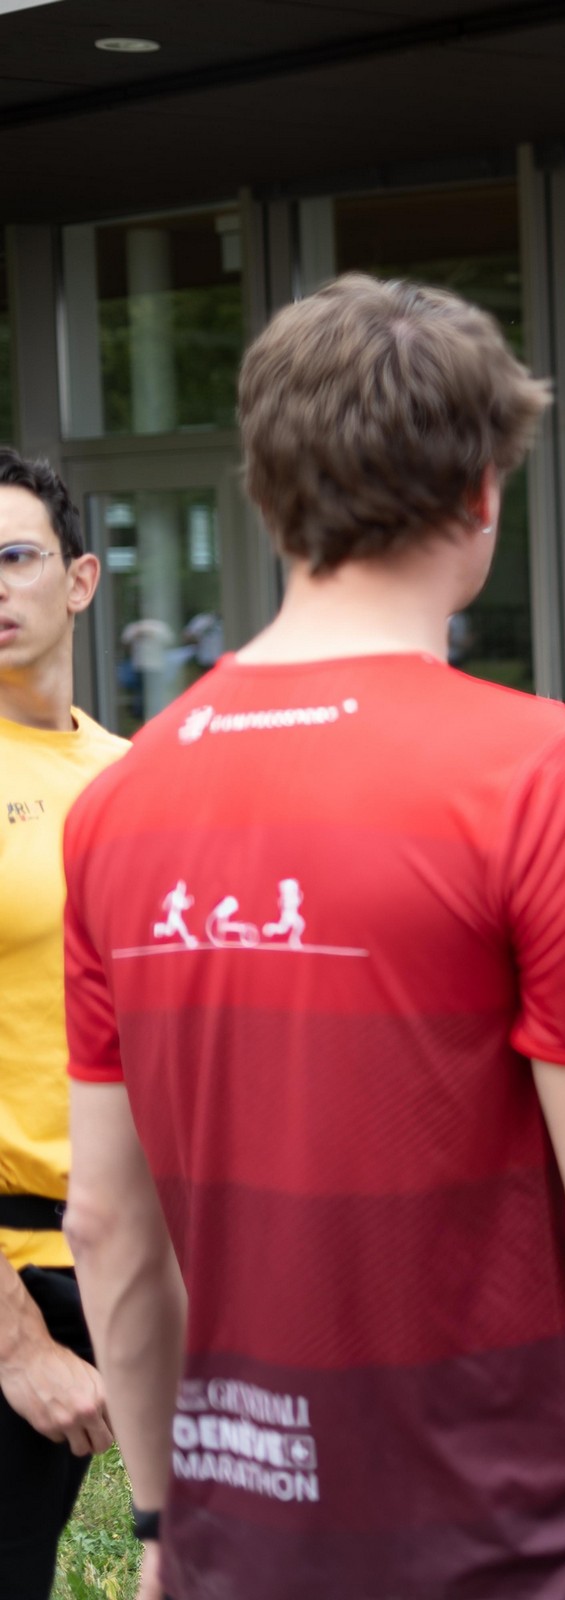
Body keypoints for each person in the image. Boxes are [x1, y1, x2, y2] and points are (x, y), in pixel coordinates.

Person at [60, 278, 565, 1600]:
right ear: (484, 492)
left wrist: (159, 1524)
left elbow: (107, 1225)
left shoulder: (118, 802)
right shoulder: (541, 772)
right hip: (526, 1536)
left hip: (244, 1541)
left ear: (267, 493)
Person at [0, 450, 125, 1598]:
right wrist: (17, 1343)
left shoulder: (137, 778)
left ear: (80, 579)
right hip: (14, 1280)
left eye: (15, 556)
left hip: (135, 1270)